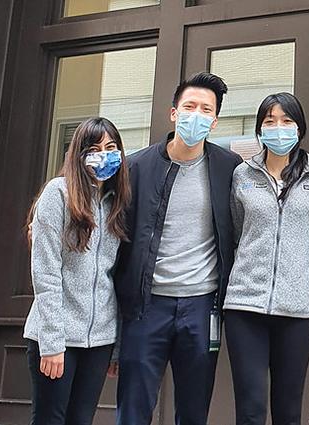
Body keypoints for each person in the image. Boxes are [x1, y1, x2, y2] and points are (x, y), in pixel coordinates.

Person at [113, 72, 243, 425]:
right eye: (190, 106)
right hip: (146, 306)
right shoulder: (137, 167)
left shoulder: (229, 168)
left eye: (206, 109)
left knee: (194, 410)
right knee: (134, 408)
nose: (196, 115)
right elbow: (115, 237)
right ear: (174, 113)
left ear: (215, 121)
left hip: (202, 308)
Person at [223, 92, 309, 425]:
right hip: (245, 306)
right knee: (251, 408)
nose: (278, 128)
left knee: (288, 410)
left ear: (300, 128)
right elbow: (238, 231)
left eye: (286, 121)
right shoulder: (243, 175)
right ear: (260, 129)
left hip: (297, 310)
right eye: (270, 121)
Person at [24, 117, 130, 425]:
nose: (104, 154)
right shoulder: (58, 194)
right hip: (57, 336)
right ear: (78, 154)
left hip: (99, 340)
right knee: (49, 420)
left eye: (111, 148)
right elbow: (45, 272)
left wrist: (115, 346)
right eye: (95, 148)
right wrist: (52, 343)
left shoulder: (117, 203)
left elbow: (117, 277)